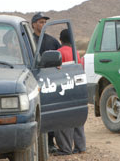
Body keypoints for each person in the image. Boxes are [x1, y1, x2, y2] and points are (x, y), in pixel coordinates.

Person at [53, 29, 86, 156]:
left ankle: (65, 148)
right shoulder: (76, 52)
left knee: (62, 118)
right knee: (77, 116)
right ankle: (80, 146)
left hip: (63, 88)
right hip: (75, 87)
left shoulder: (58, 53)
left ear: (60, 40)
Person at [31, 12, 61, 153]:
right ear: (33, 24)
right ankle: (34, 143)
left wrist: (59, 63)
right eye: (40, 22)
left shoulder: (52, 41)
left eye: (44, 22)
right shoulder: (28, 40)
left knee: (50, 111)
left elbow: (60, 56)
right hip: (32, 81)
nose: (43, 24)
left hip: (50, 82)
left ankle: (50, 143)